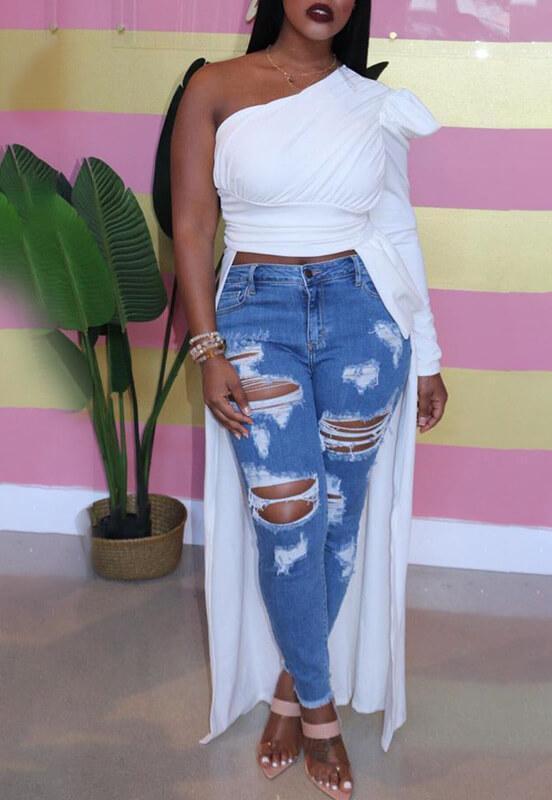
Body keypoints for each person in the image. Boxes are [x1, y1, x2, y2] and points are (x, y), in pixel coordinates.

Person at [170, 1, 448, 797]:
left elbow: (397, 232)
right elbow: (192, 227)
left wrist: (427, 356)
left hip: (365, 316)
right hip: (254, 313)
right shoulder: (214, 87)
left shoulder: (372, 104)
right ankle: (321, 713)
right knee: (285, 517)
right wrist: (208, 348)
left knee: (337, 516)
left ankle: (295, 693)